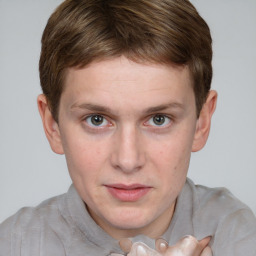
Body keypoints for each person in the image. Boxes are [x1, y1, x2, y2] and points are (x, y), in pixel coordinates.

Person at [0, 0, 255, 255]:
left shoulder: (237, 236)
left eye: (159, 119)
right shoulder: (13, 245)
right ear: (52, 125)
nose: (128, 160)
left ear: (201, 122)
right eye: (96, 120)